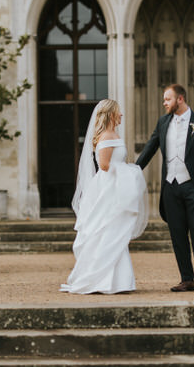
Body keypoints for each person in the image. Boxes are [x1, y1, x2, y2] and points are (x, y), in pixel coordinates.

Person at [136, 84, 194, 293]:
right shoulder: (162, 122)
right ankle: (186, 279)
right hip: (170, 187)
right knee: (177, 235)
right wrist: (132, 172)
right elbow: (149, 149)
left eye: (167, 99)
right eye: (164, 99)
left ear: (180, 99)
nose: (164, 103)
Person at [60, 99, 148, 294]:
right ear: (110, 115)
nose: (121, 115)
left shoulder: (113, 134)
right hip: (108, 190)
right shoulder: (107, 136)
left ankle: (117, 281)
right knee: (107, 230)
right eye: (119, 112)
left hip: (114, 187)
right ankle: (101, 279)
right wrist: (130, 170)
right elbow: (105, 165)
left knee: (114, 231)